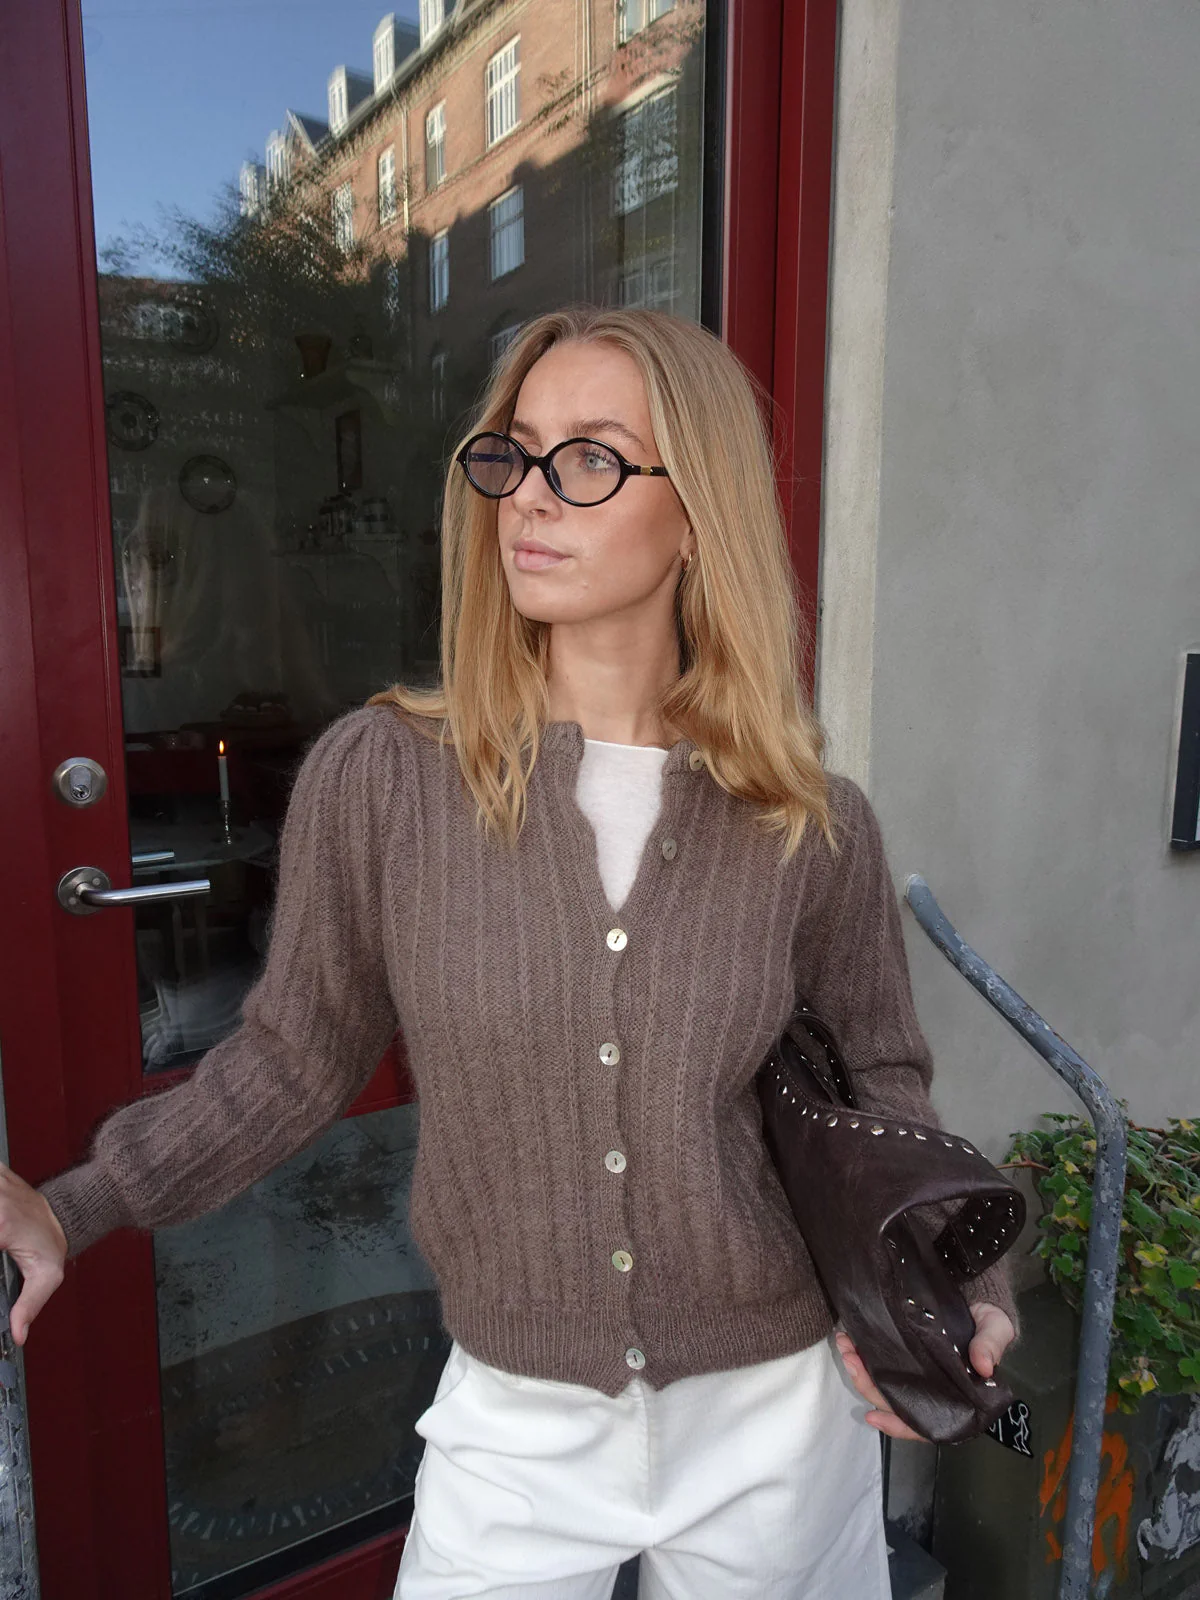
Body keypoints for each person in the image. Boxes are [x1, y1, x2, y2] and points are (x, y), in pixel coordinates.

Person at [0, 307, 1018, 1599]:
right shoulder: (388, 779)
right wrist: (74, 1204)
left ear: (697, 513)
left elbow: (882, 1077)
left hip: (777, 1407)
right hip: (516, 1424)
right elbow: (293, 1058)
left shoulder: (805, 818)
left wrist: (964, 1279)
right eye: (514, 453)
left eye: (590, 458)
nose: (529, 496)